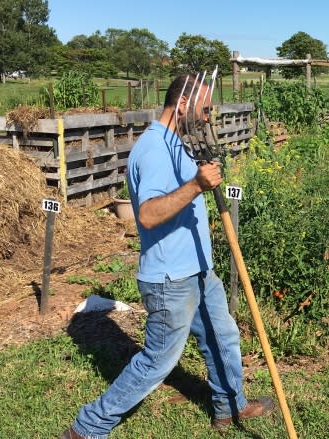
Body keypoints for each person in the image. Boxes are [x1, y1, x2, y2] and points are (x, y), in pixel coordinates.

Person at [61, 74, 275, 439]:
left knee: (223, 336)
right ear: (182, 106)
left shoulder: (178, 143)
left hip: (198, 269)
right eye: (205, 110)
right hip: (169, 279)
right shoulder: (155, 150)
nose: (208, 117)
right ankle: (87, 427)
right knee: (157, 361)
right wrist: (196, 186)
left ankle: (229, 406)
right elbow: (147, 214)